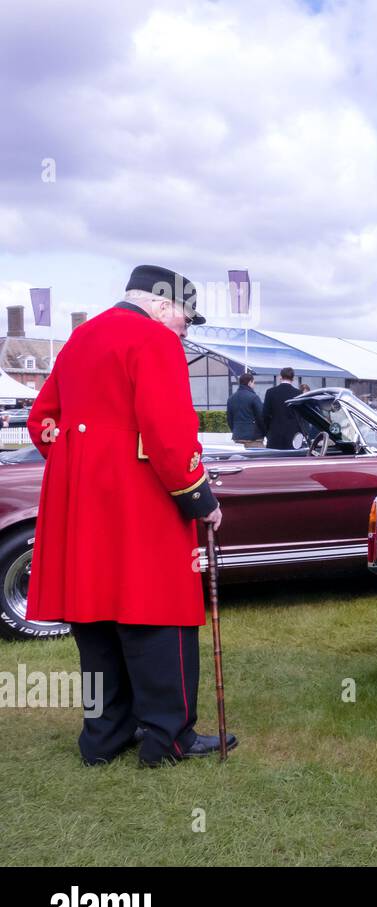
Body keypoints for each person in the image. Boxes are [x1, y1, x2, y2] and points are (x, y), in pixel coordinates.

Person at [27, 264, 234, 767]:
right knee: (158, 617)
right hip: (141, 507)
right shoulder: (156, 339)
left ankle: (103, 739)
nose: (186, 327)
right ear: (162, 305)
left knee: (95, 624)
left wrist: (86, 460)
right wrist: (201, 498)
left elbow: (43, 421)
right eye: (186, 316)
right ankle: (168, 739)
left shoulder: (80, 338)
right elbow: (168, 435)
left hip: (82, 508)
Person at [263, 367, 302, 450]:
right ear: (293, 378)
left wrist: (267, 432)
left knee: (275, 460)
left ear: (280, 377)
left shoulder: (270, 392)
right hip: (293, 434)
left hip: (274, 433)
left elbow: (265, 414)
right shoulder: (298, 393)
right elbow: (301, 416)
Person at [226, 372, 266, 448]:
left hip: (238, 438)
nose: (254, 385)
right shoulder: (254, 397)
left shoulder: (231, 398)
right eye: (254, 383)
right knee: (258, 459)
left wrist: (236, 430)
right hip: (253, 438)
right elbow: (261, 417)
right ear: (249, 382)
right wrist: (264, 432)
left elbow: (229, 419)